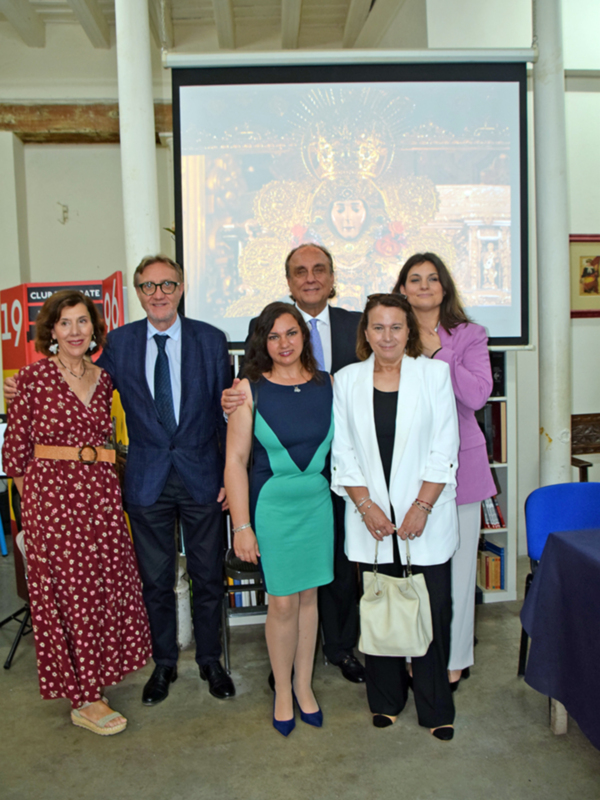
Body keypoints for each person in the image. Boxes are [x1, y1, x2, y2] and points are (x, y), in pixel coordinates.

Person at [5, 257, 236, 705]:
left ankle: (211, 660)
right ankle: (163, 663)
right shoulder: (121, 345)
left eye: (167, 284)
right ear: (138, 293)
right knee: (155, 579)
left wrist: (229, 473)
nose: (159, 293)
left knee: (208, 576)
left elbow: (225, 410)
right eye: (148, 286)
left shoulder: (212, 339)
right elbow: (70, 370)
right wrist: (19, 388)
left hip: (203, 477)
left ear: (182, 287)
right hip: (146, 482)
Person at [2, 290, 152, 736]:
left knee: (102, 586)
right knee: (68, 593)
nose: (74, 331)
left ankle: (96, 681)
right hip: (53, 499)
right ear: (50, 330)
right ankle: (83, 696)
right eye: (64, 323)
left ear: (94, 329)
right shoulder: (30, 380)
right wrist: (38, 515)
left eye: (82, 321)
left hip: (101, 495)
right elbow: (15, 456)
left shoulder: (104, 379)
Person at [223, 243, 365, 684]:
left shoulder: (356, 326)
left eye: (319, 269)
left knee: (336, 579)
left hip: (333, 482)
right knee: (285, 598)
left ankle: (337, 651)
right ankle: (283, 674)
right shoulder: (254, 378)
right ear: (288, 281)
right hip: (277, 491)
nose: (310, 277)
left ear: (332, 275)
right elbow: (242, 440)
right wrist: (242, 515)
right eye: (300, 271)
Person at [331, 293, 459, 739]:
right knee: (380, 608)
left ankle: (435, 706)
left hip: (426, 518)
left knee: (433, 610)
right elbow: (342, 452)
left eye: (396, 327)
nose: (387, 336)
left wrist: (422, 507)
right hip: (372, 523)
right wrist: (366, 506)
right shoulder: (346, 380)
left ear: (410, 331)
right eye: (378, 327)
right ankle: (385, 699)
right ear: (365, 333)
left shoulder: (434, 375)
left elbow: (446, 447)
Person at [224, 302, 334, 736]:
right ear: (262, 342)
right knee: (283, 602)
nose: (283, 343)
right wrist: (241, 525)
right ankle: (283, 692)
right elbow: (235, 461)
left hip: (317, 506)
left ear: (304, 336)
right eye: (273, 336)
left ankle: (305, 687)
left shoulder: (329, 384)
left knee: (310, 600)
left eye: (291, 333)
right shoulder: (248, 390)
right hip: (272, 509)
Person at [393, 253, 496, 688]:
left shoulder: (470, 335)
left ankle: (455, 658)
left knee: (456, 572)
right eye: (414, 279)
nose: (423, 286)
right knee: (412, 571)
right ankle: (417, 655)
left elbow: (476, 398)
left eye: (432, 279)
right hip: (405, 467)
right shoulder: (390, 333)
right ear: (401, 290)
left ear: (444, 287)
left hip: (462, 466)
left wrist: (439, 353)